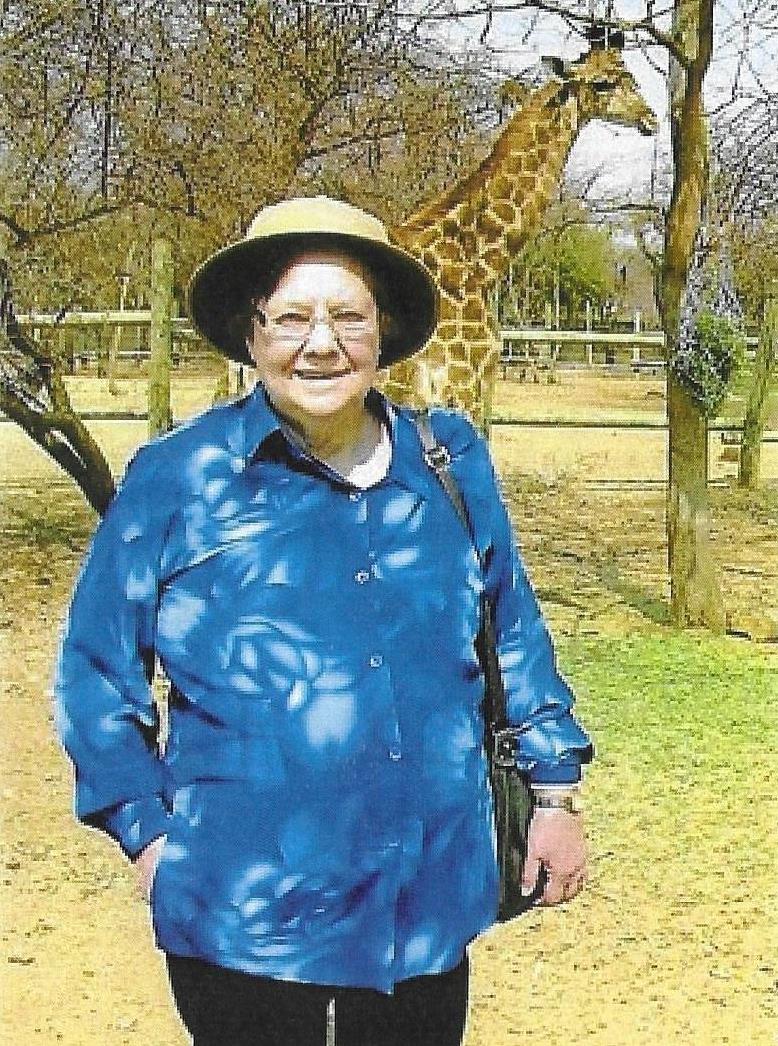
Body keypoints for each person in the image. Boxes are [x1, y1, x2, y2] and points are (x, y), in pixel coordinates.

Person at [55, 196, 593, 1046]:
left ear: (383, 331)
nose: (320, 343)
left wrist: (554, 795)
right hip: (246, 918)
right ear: (252, 333)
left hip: (426, 909)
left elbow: (513, 633)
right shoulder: (177, 478)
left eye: (348, 316)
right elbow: (95, 676)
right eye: (292, 318)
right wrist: (148, 836)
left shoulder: (450, 462)